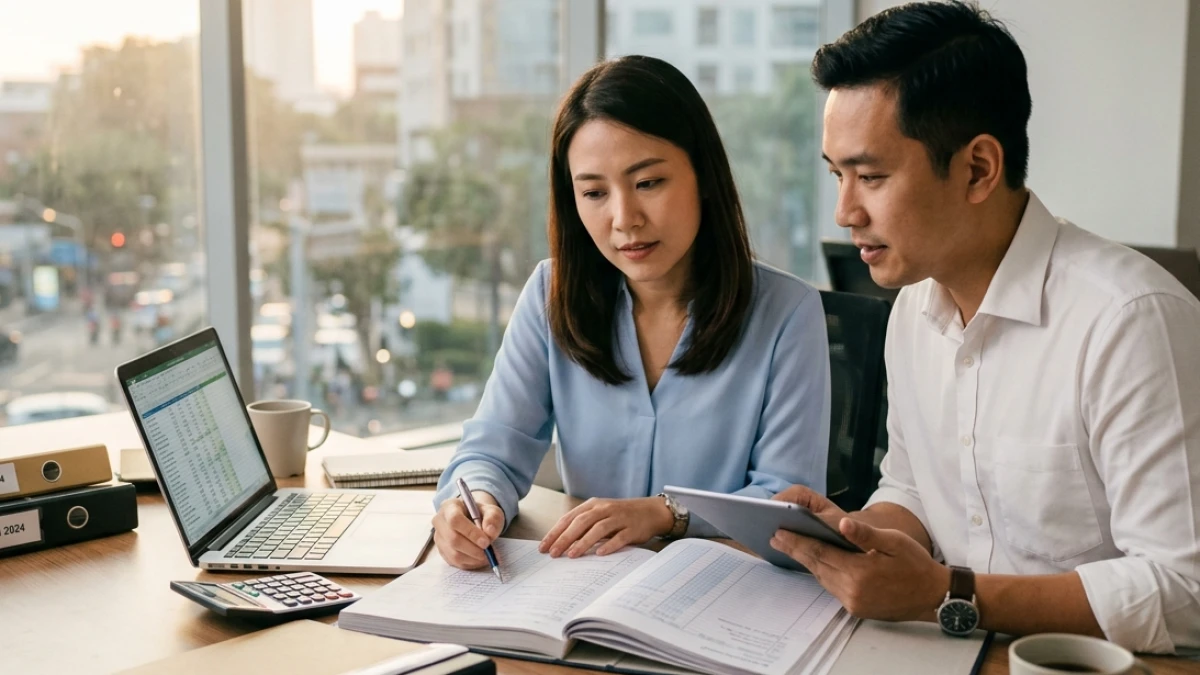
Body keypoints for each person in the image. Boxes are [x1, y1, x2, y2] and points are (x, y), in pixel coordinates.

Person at [768, 1, 1200, 653]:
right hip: (940, 652)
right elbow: (912, 488)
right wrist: (857, 537)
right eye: (837, 175)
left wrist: (946, 593)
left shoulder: (1130, 321)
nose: (844, 212)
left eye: (871, 176)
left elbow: (1186, 588)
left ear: (977, 169)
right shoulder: (913, 310)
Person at [432, 55, 831, 571]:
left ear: (703, 176)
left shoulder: (788, 313)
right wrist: (474, 502)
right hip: (581, 596)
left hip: (720, 599)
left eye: (648, 183)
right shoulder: (550, 294)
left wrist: (667, 514)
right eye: (595, 192)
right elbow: (492, 449)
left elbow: (789, 502)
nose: (625, 219)